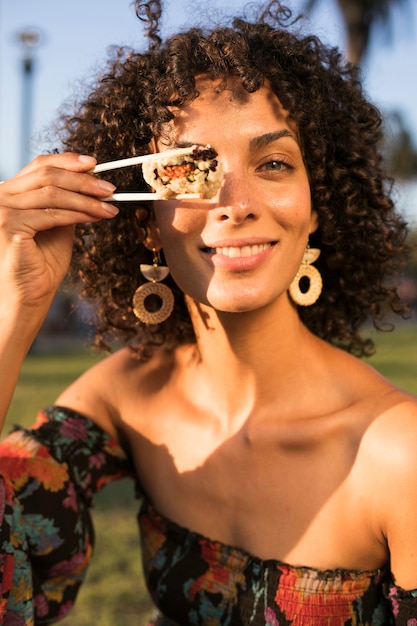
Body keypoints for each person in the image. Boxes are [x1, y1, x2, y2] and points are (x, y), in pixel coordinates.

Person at [0, 0, 416, 623]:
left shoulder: (399, 456)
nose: (235, 202)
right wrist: (16, 307)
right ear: (147, 223)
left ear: (316, 207)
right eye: (190, 170)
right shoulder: (128, 396)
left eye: (272, 164)